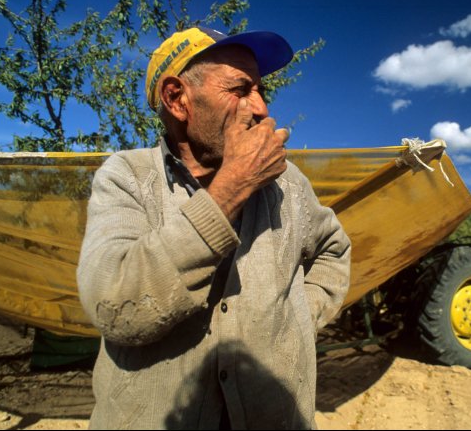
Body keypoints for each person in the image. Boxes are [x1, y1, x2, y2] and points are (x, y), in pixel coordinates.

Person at [76, 27, 351, 429]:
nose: (260, 108)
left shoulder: (287, 183)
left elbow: (333, 250)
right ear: (177, 99)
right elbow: (114, 306)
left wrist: (295, 322)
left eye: (261, 91)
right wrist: (233, 187)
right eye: (240, 90)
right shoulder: (127, 177)